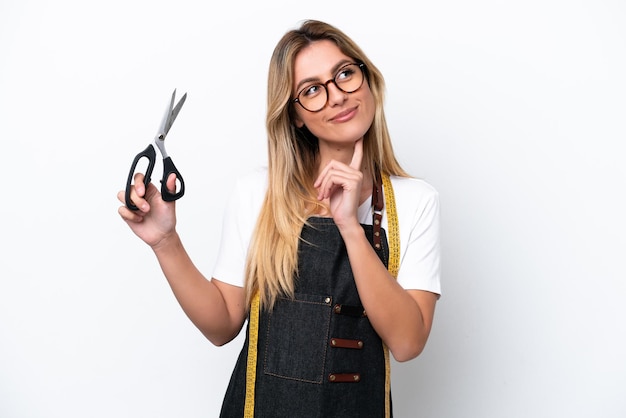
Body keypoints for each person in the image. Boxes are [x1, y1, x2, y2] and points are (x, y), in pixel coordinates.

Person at [118, 19, 440, 418]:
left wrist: (350, 229)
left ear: (367, 80)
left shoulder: (415, 201)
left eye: (344, 74)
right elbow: (222, 326)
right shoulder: (257, 193)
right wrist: (166, 243)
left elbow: (408, 343)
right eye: (312, 90)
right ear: (296, 116)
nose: (337, 96)